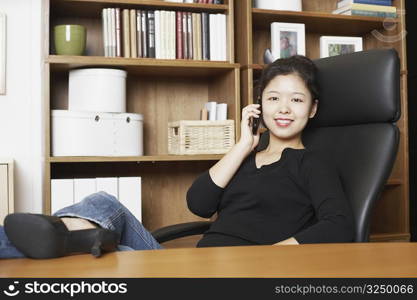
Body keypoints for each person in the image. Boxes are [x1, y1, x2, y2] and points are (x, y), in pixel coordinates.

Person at [0, 55, 354, 259]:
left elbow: (338, 224)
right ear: (259, 106)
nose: (284, 109)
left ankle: (71, 238)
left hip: (237, 272)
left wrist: (267, 259)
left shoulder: (313, 163)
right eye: (274, 98)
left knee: (102, 259)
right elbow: (198, 203)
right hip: (194, 264)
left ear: (313, 108)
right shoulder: (245, 156)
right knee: (105, 203)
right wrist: (243, 145)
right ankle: (75, 234)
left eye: (296, 99)